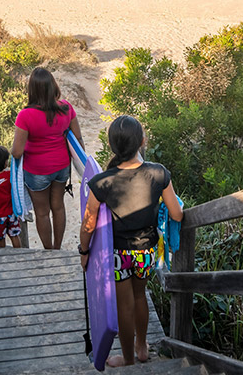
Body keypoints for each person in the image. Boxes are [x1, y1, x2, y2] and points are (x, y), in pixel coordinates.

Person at [80, 115, 183, 367]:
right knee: (140, 296)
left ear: (113, 147)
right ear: (142, 142)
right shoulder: (159, 173)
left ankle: (128, 358)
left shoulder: (101, 182)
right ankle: (142, 346)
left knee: (123, 305)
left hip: (117, 254)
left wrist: (84, 250)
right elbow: (177, 213)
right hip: (146, 251)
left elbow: (89, 224)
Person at [12, 67, 83, 250]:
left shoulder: (25, 115)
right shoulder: (66, 108)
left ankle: (49, 250)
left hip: (37, 171)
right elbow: (78, 139)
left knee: (42, 212)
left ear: (32, 90)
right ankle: (58, 247)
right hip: (61, 167)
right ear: (53, 86)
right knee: (58, 207)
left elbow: (17, 152)